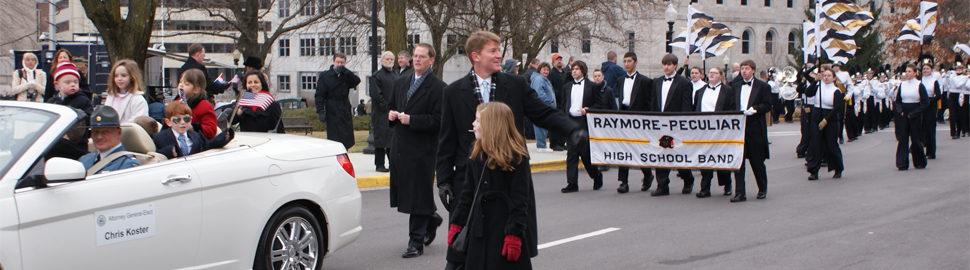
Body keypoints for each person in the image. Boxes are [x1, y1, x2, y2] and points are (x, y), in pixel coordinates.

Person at [437, 30, 581, 270]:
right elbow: (446, 139)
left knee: (505, 253)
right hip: (469, 182)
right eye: (492, 51)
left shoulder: (515, 85)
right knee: (461, 254)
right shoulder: (453, 92)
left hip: (508, 181)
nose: (498, 55)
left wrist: (571, 130)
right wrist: (443, 179)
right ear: (476, 56)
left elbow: (543, 113)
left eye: (499, 50)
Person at [447, 102, 538, 270]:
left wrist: (514, 235)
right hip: (479, 229)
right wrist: (457, 224)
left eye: (478, 120)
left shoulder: (516, 156)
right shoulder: (476, 153)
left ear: (492, 125)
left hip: (503, 230)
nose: (473, 124)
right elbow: (467, 194)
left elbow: (520, 200)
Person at [387, 43, 446, 259]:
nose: (417, 59)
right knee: (408, 193)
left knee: (418, 194)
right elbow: (391, 106)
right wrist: (391, 115)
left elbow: (439, 120)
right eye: (415, 56)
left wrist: (413, 120)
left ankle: (415, 242)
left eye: (422, 56)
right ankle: (432, 218)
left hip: (423, 150)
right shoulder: (401, 81)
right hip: (400, 147)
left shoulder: (439, 87)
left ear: (431, 60)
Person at [650, 54, 696, 197]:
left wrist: (682, 124)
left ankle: (688, 179)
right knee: (661, 154)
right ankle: (662, 185)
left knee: (678, 155)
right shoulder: (657, 82)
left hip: (676, 125)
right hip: (660, 124)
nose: (666, 67)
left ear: (675, 65)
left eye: (669, 64)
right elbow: (653, 103)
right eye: (664, 64)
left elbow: (686, 105)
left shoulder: (684, 83)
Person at [728, 59, 772, 202]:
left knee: (757, 161)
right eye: (742, 69)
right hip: (739, 128)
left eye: (747, 68)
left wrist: (756, 109)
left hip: (755, 127)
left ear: (753, 70)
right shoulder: (735, 86)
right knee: (739, 162)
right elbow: (732, 104)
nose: (744, 71)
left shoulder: (762, 86)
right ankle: (740, 192)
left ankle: (762, 188)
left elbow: (767, 105)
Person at [560, 60, 604, 193]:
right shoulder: (566, 87)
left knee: (585, 154)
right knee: (571, 153)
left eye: (577, 69)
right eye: (573, 69)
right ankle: (572, 183)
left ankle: (596, 175)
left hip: (584, 122)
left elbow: (600, 104)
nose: (574, 71)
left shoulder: (592, 86)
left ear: (583, 71)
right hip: (570, 121)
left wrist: (589, 109)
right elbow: (563, 105)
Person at [614, 52, 654, 193]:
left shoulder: (645, 81)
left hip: (639, 119)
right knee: (624, 150)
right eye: (624, 61)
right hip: (624, 117)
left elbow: (649, 103)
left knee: (639, 150)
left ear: (635, 62)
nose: (626, 64)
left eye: (629, 61)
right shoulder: (620, 80)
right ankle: (623, 182)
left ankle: (648, 174)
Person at [694, 67, 737, 198]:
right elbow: (695, 109)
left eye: (715, 73)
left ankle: (727, 184)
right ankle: (705, 187)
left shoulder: (728, 91)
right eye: (710, 72)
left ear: (721, 76)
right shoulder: (700, 91)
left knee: (720, 158)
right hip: (703, 131)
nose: (711, 74)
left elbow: (731, 109)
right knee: (705, 159)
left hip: (720, 130)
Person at [806, 65, 846, 180]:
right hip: (816, 117)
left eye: (829, 75)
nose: (826, 77)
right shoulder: (819, 86)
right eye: (825, 75)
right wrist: (815, 81)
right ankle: (814, 170)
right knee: (815, 145)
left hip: (830, 119)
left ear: (834, 78)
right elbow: (808, 93)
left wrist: (826, 120)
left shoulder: (836, 91)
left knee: (831, 145)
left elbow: (837, 108)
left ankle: (838, 168)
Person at [154, 102, 233, 159]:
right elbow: (155, 154)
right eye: (177, 120)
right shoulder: (160, 137)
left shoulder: (195, 135)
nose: (182, 122)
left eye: (186, 119)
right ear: (168, 122)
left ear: (191, 120)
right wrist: (169, 151)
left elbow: (208, 145)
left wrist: (224, 137)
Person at [315, 53, 361, 149]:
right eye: (338, 62)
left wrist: (347, 72)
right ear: (333, 62)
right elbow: (319, 95)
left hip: (344, 107)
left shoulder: (346, 76)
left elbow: (356, 81)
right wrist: (320, 111)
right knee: (334, 137)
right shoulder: (325, 76)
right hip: (332, 108)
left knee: (346, 136)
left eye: (342, 62)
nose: (340, 64)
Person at [78, 106, 140, 174]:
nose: (99, 137)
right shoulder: (84, 160)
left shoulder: (127, 164)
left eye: (106, 131)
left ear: (119, 132)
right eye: (95, 131)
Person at [47, 60, 93, 149]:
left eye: (75, 82)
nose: (72, 85)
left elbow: (87, 120)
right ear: (57, 84)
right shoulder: (52, 102)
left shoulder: (83, 100)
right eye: (67, 82)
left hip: (77, 146)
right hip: (55, 144)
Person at [893, 63, 930, 170]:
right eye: (906, 71)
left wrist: (914, 113)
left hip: (915, 113)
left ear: (915, 73)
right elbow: (898, 101)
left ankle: (919, 161)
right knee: (903, 138)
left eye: (910, 71)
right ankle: (902, 163)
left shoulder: (919, 85)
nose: (907, 73)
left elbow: (925, 102)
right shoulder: (902, 84)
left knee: (915, 138)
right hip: (904, 113)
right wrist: (900, 111)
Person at [173, 69, 218, 139]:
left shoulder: (204, 106)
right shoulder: (175, 103)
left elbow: (211, 130)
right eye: (180, 82)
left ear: (196, 89)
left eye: (186, 84)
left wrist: (193, 127)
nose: (181, 85)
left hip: (196, 143)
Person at [371, 51, 397, 172]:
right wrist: (387, 107)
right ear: (382, 61)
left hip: (394, 112)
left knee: (392, 140)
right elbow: (377, 95)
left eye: (391, 59)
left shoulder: (396, 75)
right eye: (387, 59)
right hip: (381, 113)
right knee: (381, 140)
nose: (389, 61)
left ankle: (393, 163)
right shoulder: (377, 76)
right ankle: (379, 164)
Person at [530, 62, 556, 153]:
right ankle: (541, 146)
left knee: (543, 126)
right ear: (539, 70)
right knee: (540, 127)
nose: (546, 71)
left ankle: (542, 145)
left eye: (547, 70)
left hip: (544, 106)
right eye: (544, 69)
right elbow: (539, 93)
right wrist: (548, 102)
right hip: (542, 106)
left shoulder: (543, 79)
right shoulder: (539, 79)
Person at [919, 59, 942, 159]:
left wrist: (929, 102)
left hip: (930, 105)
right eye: (924, 69)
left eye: (927, 69)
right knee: (921, 128)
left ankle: (931, 152)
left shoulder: (934, 81)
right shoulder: (920, 80)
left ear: (931, 70)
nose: (925, 70)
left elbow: (938, 95)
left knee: (930, 129)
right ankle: (921, 149)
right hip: (921, 105)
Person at [548, 54, 568, 151]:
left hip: (564, 102)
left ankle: (561, 142)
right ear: (553, 62)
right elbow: (550, 87)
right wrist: (558, 94)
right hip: (556, 102)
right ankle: (554, 143)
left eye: (560, 59)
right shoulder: (552, 73)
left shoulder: (564, 73)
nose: (559, 61)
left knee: (563, 123)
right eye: (557, 60)